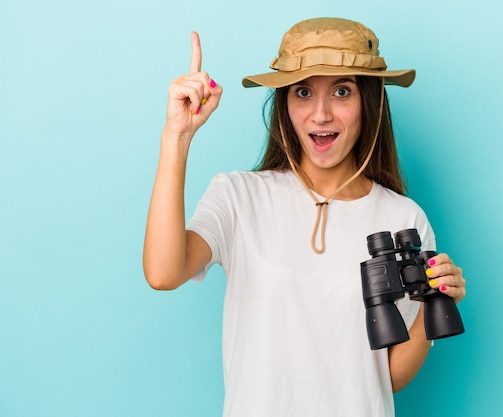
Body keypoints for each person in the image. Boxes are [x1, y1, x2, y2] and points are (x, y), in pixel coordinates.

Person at [143, 17, 466, 417]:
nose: (321, 114)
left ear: (370, 101)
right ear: (285, 104)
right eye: (303, 92)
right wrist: (176, 136)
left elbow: (385, 377)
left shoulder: (404, 218)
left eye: (342, 91)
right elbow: (162, 272)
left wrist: (435, 299)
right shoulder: (239, 196)